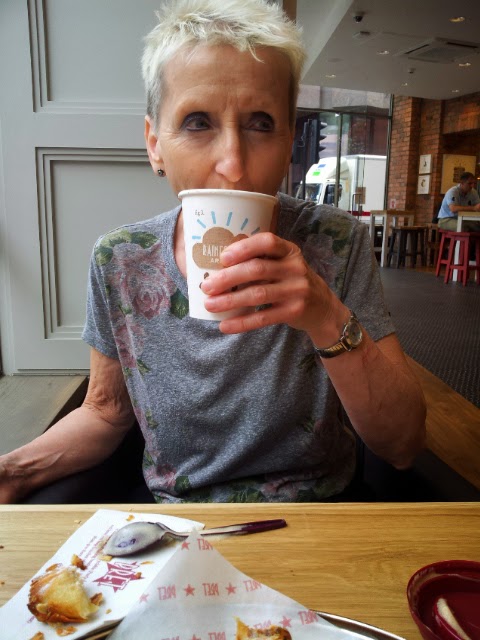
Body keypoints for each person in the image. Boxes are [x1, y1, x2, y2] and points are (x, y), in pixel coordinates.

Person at [0, 0, 425, 504]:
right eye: (198, 122)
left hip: (321, 516)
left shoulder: (336, 242)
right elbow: (105, 411)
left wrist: (325, 315)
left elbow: (401, 446)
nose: (233, 163)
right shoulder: (121, 260)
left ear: (289, 141)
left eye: (261, 123)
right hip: (178, 525)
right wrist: (13, 471)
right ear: (155, 144)